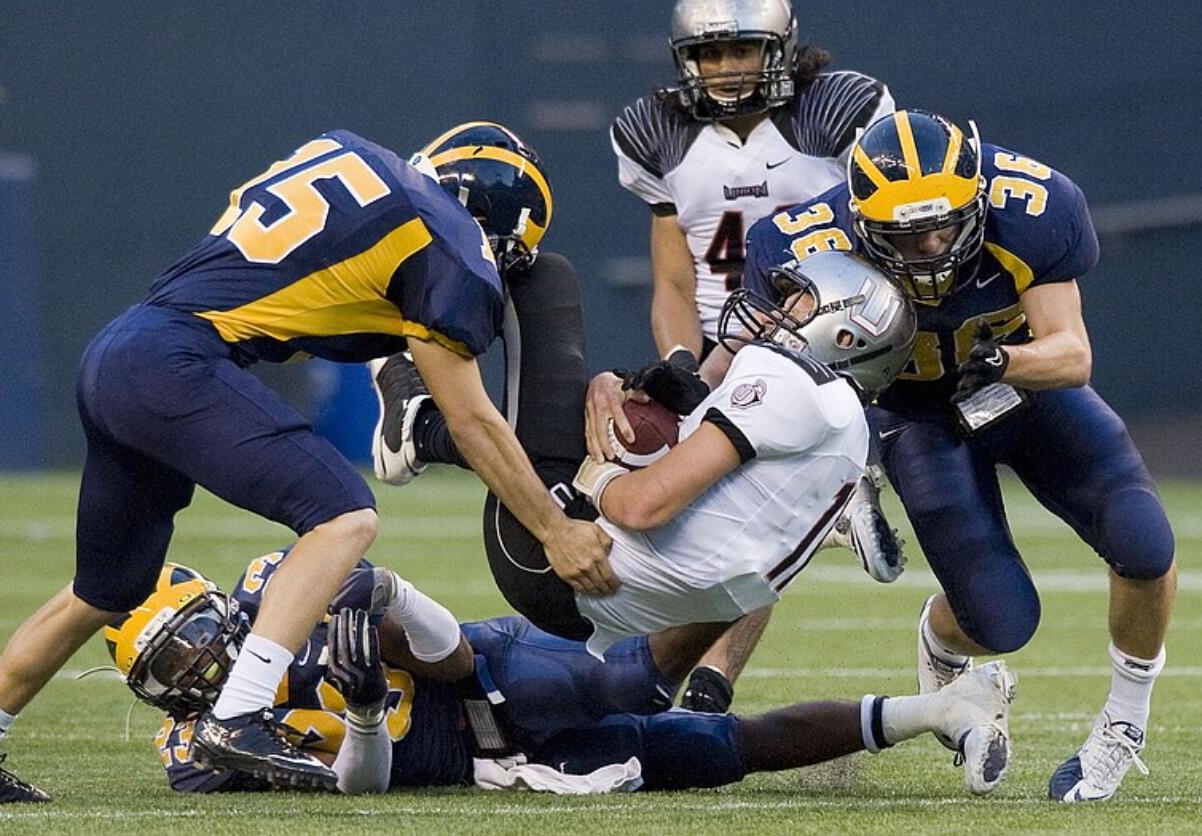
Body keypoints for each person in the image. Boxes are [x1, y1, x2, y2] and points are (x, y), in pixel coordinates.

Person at [0, 125, 612, 803]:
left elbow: (312, 296)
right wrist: (554, 529)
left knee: (103, 592)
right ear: (491, 217)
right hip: (177, 362)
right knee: (343, 516)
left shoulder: (347, 157)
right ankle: (239, 715)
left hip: (121, 349)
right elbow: (474, 419)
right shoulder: (450, 241)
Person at [742, 108, 1178, 803]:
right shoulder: (802, 245)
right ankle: (943, 643)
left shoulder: (1033, 206)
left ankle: (1123, 726)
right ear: (861, 223)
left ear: (976, 196)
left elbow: (1072, 356)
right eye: (909, 234)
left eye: (945, 222)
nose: (934, 243)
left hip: (1021, 387)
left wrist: (1006, 360)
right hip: (915, 416)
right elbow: (783, 378)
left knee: (1144, 541)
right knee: (1002, 621)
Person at [376, 251, 916, 704]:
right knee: (595, 398)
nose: (777, 315)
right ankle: (426, 429)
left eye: (800, 303)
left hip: (561, 564)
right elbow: (703, 468)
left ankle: (420, 427)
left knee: (543, 277)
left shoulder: (790, 381)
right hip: (626, 607)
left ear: (846, 334)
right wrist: (618, 394)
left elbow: (641, 507)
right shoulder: (846, 429)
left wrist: (596, 463)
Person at [110, 555, 1017, 797]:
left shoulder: (283, 597)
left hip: (483, 679)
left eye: (193, 639)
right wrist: (360, 712)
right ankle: (941, 706)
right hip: (466, 760)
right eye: (171, 667)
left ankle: (770, 556)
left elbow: (450, 652)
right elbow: (362, 791)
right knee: (705, 751)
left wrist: (391, 595)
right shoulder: (199, 747)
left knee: (618, 685)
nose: (197, 667)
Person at [610, 0, 901, 711]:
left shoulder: (835, 111)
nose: (725, 69)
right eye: (709, 56)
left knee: (762, 510)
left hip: (822, 339)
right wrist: (682, 361)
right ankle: (684, 673)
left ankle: (711, 679)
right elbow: (675, 276)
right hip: (722, 345)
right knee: (717, 520)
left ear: (781, 50)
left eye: (740, 51)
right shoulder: (657, 132)